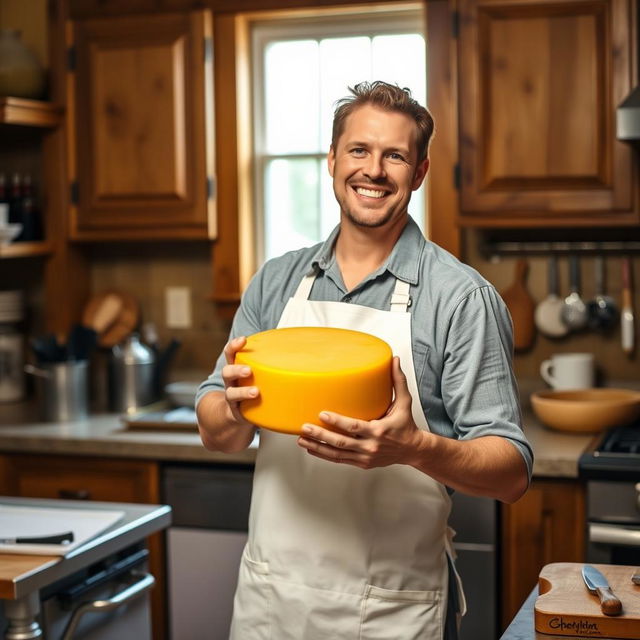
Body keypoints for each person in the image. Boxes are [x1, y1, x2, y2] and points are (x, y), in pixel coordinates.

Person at [195, 80, 533, 640]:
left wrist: (414, 448)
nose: (373, 170)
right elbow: (219, 433)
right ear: (332, 160)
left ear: (418, 173)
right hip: (271, 602)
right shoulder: (276, 283)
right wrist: (230, 410)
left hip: (392, 611)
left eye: (394, 155)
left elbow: (513, 473)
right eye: (358, 150)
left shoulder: (460, 298)